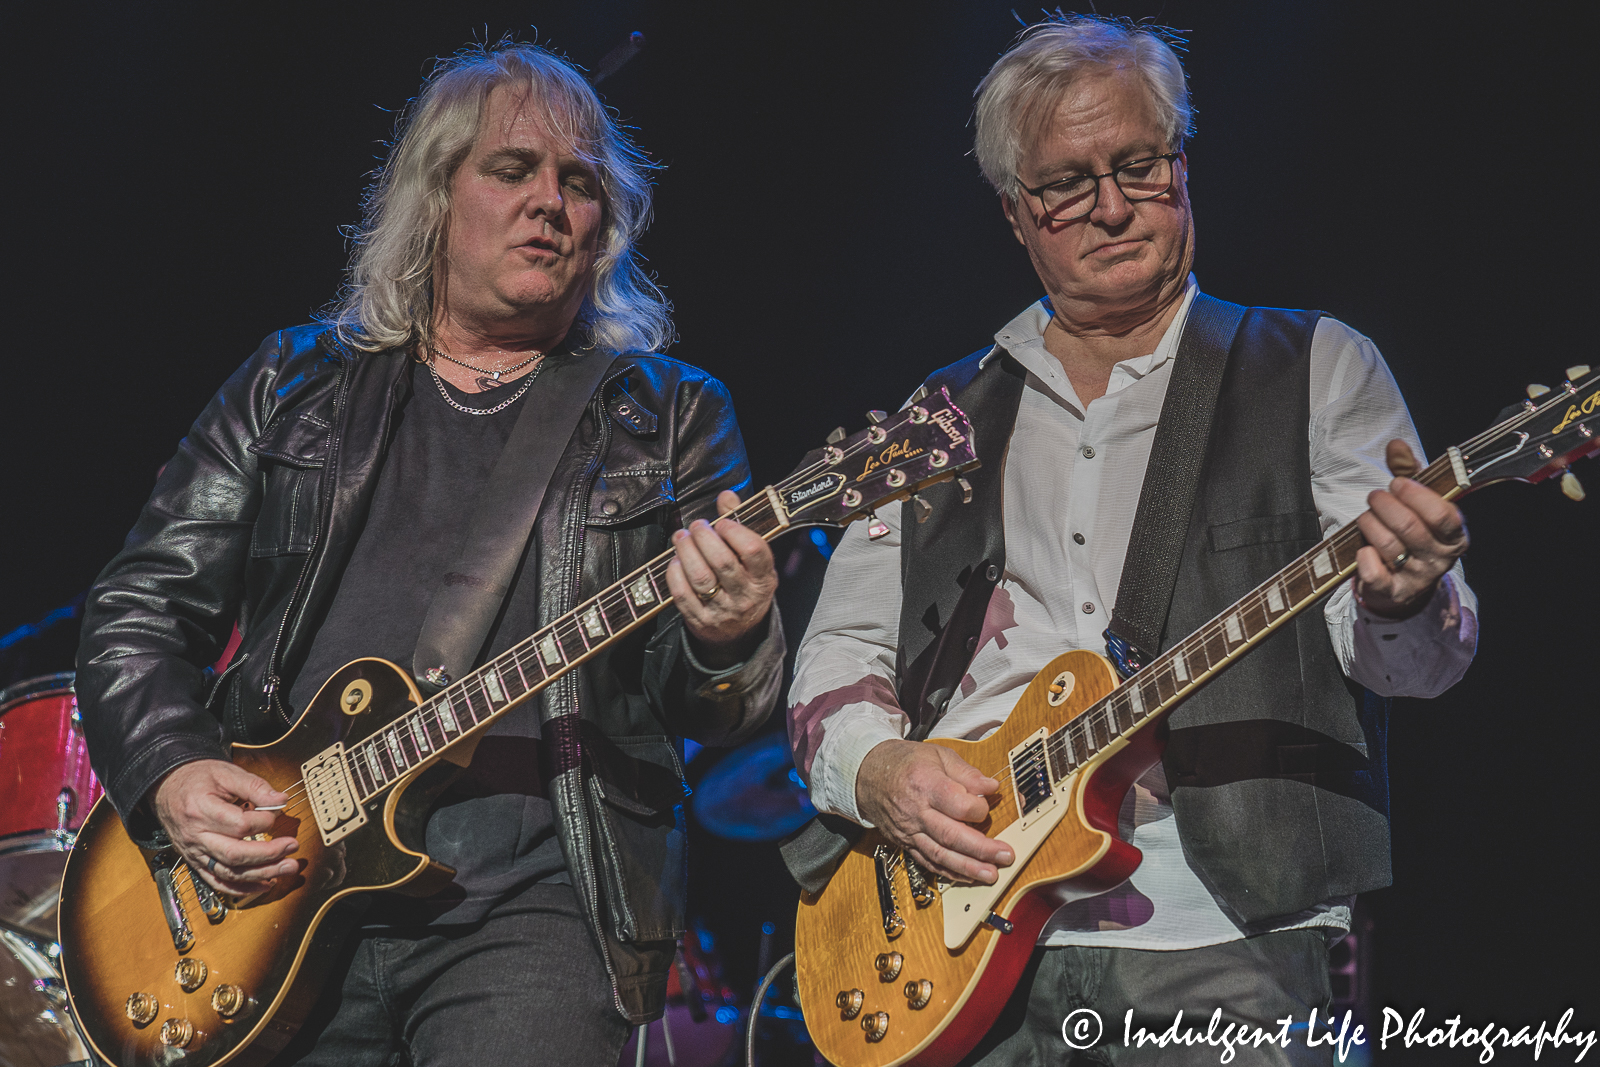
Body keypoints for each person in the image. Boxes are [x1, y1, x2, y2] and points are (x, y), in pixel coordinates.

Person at [75, 41, 782, 1067]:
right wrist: (174, 770)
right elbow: (139, 605)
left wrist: (727, 633)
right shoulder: (293, 381)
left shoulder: (668, 414)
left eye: (578, 183)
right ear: (436, 196)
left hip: (535, 900)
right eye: (513, 168)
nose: (550, 200)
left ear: (602, 230)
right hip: (272, 884)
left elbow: (703, 704)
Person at [789, 15, 1475, 1065]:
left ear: (1182, 165)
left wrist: (1400, 596)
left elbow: (1420, 666)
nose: (1110, 207)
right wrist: (880, 769)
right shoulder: (941, 419)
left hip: (1226, 933)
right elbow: (834, 657)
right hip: (961, 937)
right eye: (1066, 183)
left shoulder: (1316, 369)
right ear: (1017, 215)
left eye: (1137, 165)